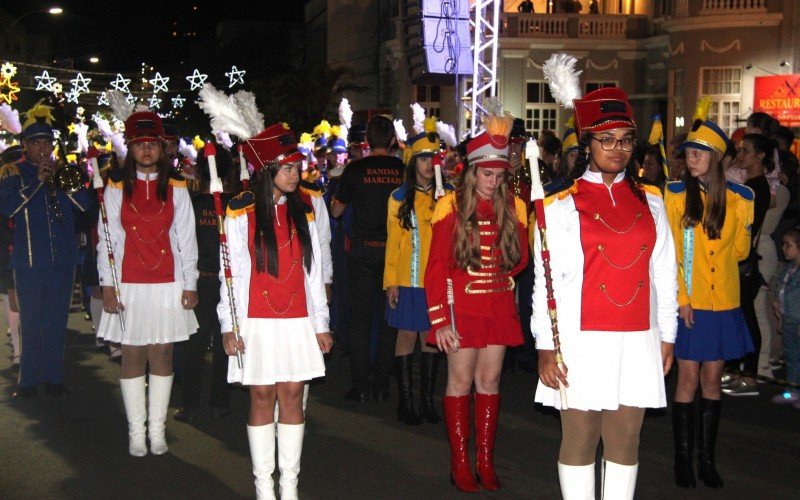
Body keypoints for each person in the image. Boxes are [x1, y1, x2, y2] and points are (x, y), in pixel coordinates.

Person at [532, 88, 678, 499]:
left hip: (638, 337)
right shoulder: (563, 203)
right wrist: (546, 344)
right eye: (606, 139)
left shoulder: (652, 200)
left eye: (626, 140)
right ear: (587, 144)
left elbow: (664, 271)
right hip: (581, 338)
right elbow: (548, 280)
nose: (618, 149)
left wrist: (668, 335)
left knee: (626, 440)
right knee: (580, 437)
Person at [219, 123, 333, 500]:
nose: (295, 174)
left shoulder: (307, 211)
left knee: (292, 393)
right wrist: (228, 325)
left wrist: (321, 323)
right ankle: (263, 486)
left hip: (298, 320)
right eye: (287, 168)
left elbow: (314, 274)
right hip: (255, 321)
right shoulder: (240, 212)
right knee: (262, 397)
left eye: (297, 168)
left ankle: (290, 485)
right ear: (267, 171)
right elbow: (230, 275)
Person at [426, 111, 529, 492]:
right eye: (487, 175)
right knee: (460, 381)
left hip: (498, 306)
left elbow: (522, 258)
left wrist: (505, 261)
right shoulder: (449, 207)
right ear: (472, 172)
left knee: (489, 381)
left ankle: (485, 459)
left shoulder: (513, 206)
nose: (493, 182)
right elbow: (435, 268)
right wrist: (440, 320)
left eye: (500, 176)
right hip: (461, 309)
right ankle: (460, 462)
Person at [97, 111, 199, 456]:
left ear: (162, 147)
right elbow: (107, 240)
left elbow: (187, 239)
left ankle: (157, 430)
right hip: (129, 284)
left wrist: (191, 283)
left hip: (168, 283)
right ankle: (135, 432)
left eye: (151, 144)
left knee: (163, 355)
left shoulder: (177, 187)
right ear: (129, 148)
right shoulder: (115, 187)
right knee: (132, 357)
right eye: (139, 144)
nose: (145, 150)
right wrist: (108, 285)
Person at [664, 119, 754, 488]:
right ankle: (683, 460)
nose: (691, 159)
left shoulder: (739, 198)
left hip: (724, 302)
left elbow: (741, 252)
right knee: (687, 380)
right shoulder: (676, 195)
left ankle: (707, 460)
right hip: (693, 302)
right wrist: (682, 299)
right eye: (688, 154)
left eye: (699, 154)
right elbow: (671, 255)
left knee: (713, 380)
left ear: (716, 158)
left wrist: (744, 222)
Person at [0, 107, 90, 398]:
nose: (42, 148)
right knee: (31, 322)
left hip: (63, 261)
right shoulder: (13, 173)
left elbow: (85, 207)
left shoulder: (65, 173)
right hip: (29, 261)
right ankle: (27, 381)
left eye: (47, 143)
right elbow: (8, 208)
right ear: (25, 144)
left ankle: (54, 378)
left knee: (56, 322)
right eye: (36, 143)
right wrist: (37, 181)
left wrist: (65, 184)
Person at [331, 115, 404, 403]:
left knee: (360, 321)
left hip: (362, 252)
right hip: (393, 253)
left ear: (367, 141)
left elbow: (337, 211)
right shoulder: (401, 169)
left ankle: (361, 385)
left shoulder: (355, 169)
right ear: (391, 141)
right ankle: (383, 384)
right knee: (388, 320)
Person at [385, 124, 450, 425]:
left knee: (431, 338)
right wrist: (390, 283)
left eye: (433, 157)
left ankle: (426, 400)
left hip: (437, 282)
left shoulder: (448, 195)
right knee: (406, 337)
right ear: (413, 162)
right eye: (423, 158)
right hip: (408, 281)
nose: (428, 164)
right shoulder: (399, 196)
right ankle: (406, 402)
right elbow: (393, 243)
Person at [173, 145, 239, 422]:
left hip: (207, 281)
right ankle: (217, 402)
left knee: (195, 345)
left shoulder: (195, 202)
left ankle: (192, 404)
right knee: (217, 342)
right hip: (218, 282)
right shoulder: (236, 204)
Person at [723, 133, 773, 396]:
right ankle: (734, 368)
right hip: (737, 257)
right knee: (736, 316)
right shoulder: (749, 184)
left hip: (745, 260)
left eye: (746, 151)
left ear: (760, 156)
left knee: (747, 317)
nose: (741, 155)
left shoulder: (757, 188)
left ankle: (750, 374)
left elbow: (748, 228)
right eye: (740, 150)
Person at [772, 228, 800, 406]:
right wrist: (780, 316)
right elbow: (782, 293)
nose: (784, 248)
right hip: (789, 319)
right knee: (791, 357)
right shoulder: (788, 270)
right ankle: (792, 390)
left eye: (788, 245)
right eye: (783, 244)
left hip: (797, 321)